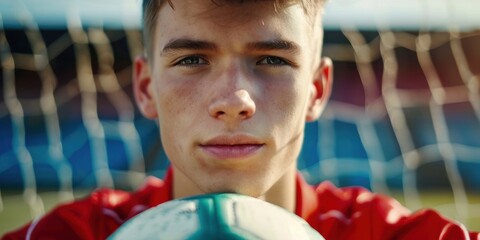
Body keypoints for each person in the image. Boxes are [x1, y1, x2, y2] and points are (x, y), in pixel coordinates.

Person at [2, 0, 479, 239]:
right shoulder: (77, 233)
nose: (234, 101)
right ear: (146, 88)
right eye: (192, 60)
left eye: (272, 60)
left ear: (317, 88)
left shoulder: (382, 234)